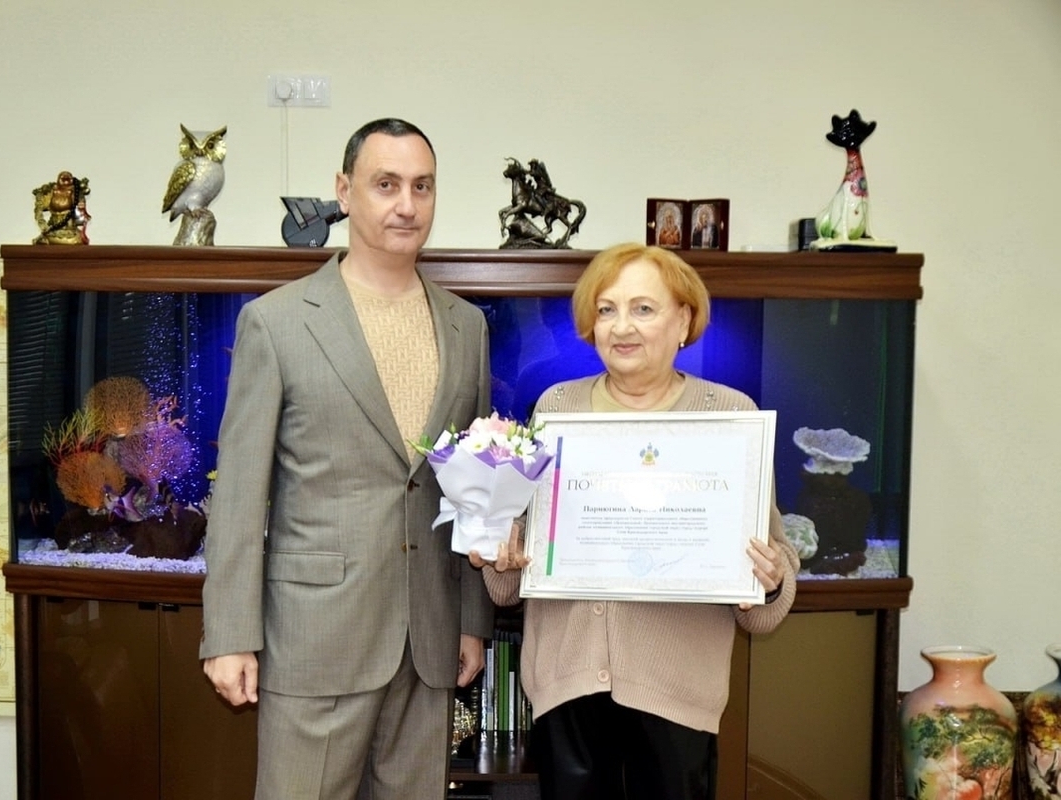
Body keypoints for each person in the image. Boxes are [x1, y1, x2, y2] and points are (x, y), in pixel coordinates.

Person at [201, 117, 494, 800]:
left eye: (422, 187)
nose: (407, 205)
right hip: (314, 639)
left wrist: (472, 621)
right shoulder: (276, 322)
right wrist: (229, 635)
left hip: (429, 643)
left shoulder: (467, 326)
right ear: (344, 190)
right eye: (386, 184)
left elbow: (477, 490)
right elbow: (239, 494)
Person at [471, 243, 799, 800]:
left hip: (678, 696)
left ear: (683, 321)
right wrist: (502, 551)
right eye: (607, 309)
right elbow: (514, 574)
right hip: (567, 692)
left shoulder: (729, 417)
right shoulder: (556, 409)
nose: (621, 326)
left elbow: (774, 578)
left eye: (643, 309)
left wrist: (767, 583)